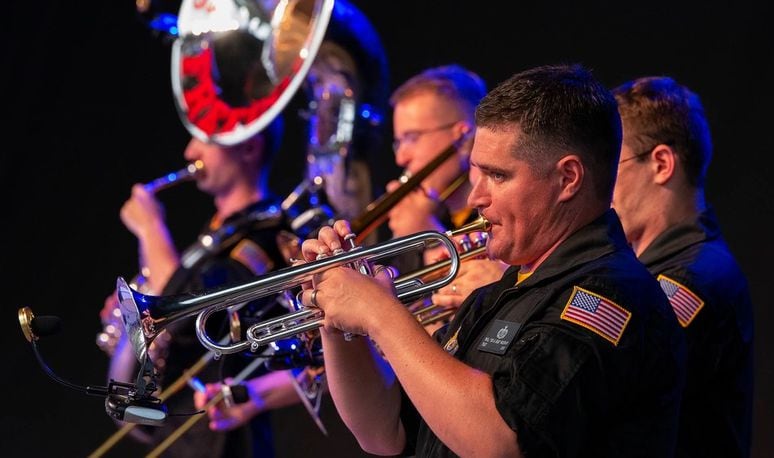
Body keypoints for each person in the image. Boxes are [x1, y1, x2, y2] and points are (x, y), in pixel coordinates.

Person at [298, 64, 687, 456]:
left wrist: (381, 314)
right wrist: (337, 319)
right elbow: (385, 432)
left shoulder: (606, 294)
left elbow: (500, 442)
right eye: (476, 174)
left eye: (498, 176)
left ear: (567, 178)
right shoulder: (502, 291)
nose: (474, 198)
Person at [100, 117, 307, 457]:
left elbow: (187, 314)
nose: (189, 151)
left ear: (250, 147)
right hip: (180, 437)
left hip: (222, 442)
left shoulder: (266, 235)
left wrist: (151, 229)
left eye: (205, 140)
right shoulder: (216, 237)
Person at [612, 76, 754, 457]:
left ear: (660, 163)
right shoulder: (644, 267)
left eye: (610, 165)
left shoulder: (696, 277)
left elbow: (607, 386)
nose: (595, 188)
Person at [385, 64, 508, 326]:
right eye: (398, 141)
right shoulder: (431, 215)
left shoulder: (505, 216)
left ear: (462, 136)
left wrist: (430, 238)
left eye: (412, 137)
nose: (400, 157)